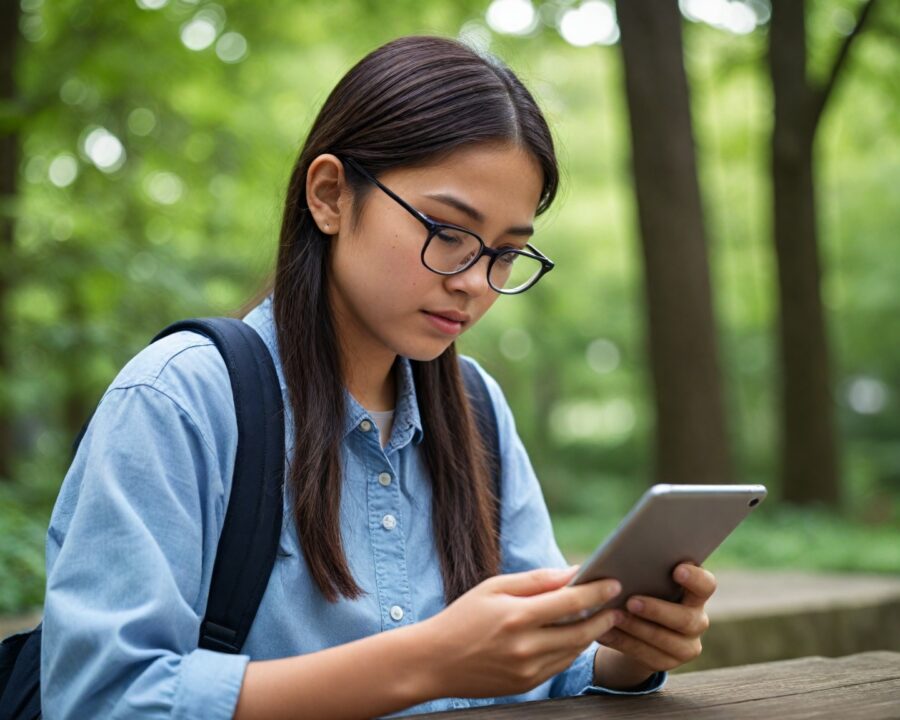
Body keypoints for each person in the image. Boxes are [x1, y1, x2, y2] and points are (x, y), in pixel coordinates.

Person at [40, 35, 716, 719]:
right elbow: (104, 697)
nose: (476, 283)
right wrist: (426, 662)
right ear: (331, 195)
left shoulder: (475, 408)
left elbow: (536, 657)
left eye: (507, 253)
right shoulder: (179, 399)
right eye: (448, 231)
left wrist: (623, 654)